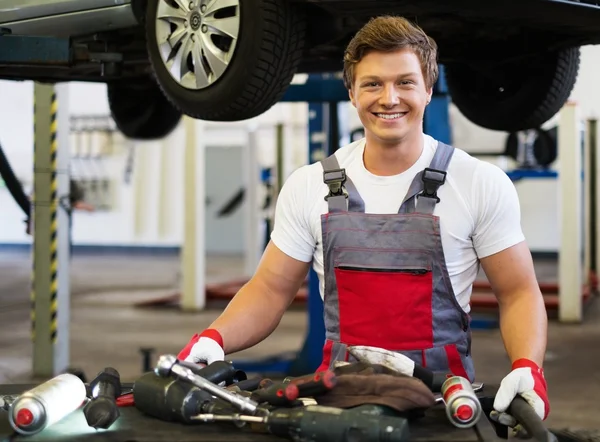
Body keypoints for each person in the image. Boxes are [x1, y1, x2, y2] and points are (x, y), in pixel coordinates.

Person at [177, 16, 550, 426]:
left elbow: (517, 293)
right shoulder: (310, 185)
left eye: (405, 82)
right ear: (352, 93)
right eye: (373, 84)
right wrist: (215, 338)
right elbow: (269, 289)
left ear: (429, 89)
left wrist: (528, 367)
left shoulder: (478, 183)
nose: (389, 98)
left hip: (444, 407)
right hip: (338, 401)